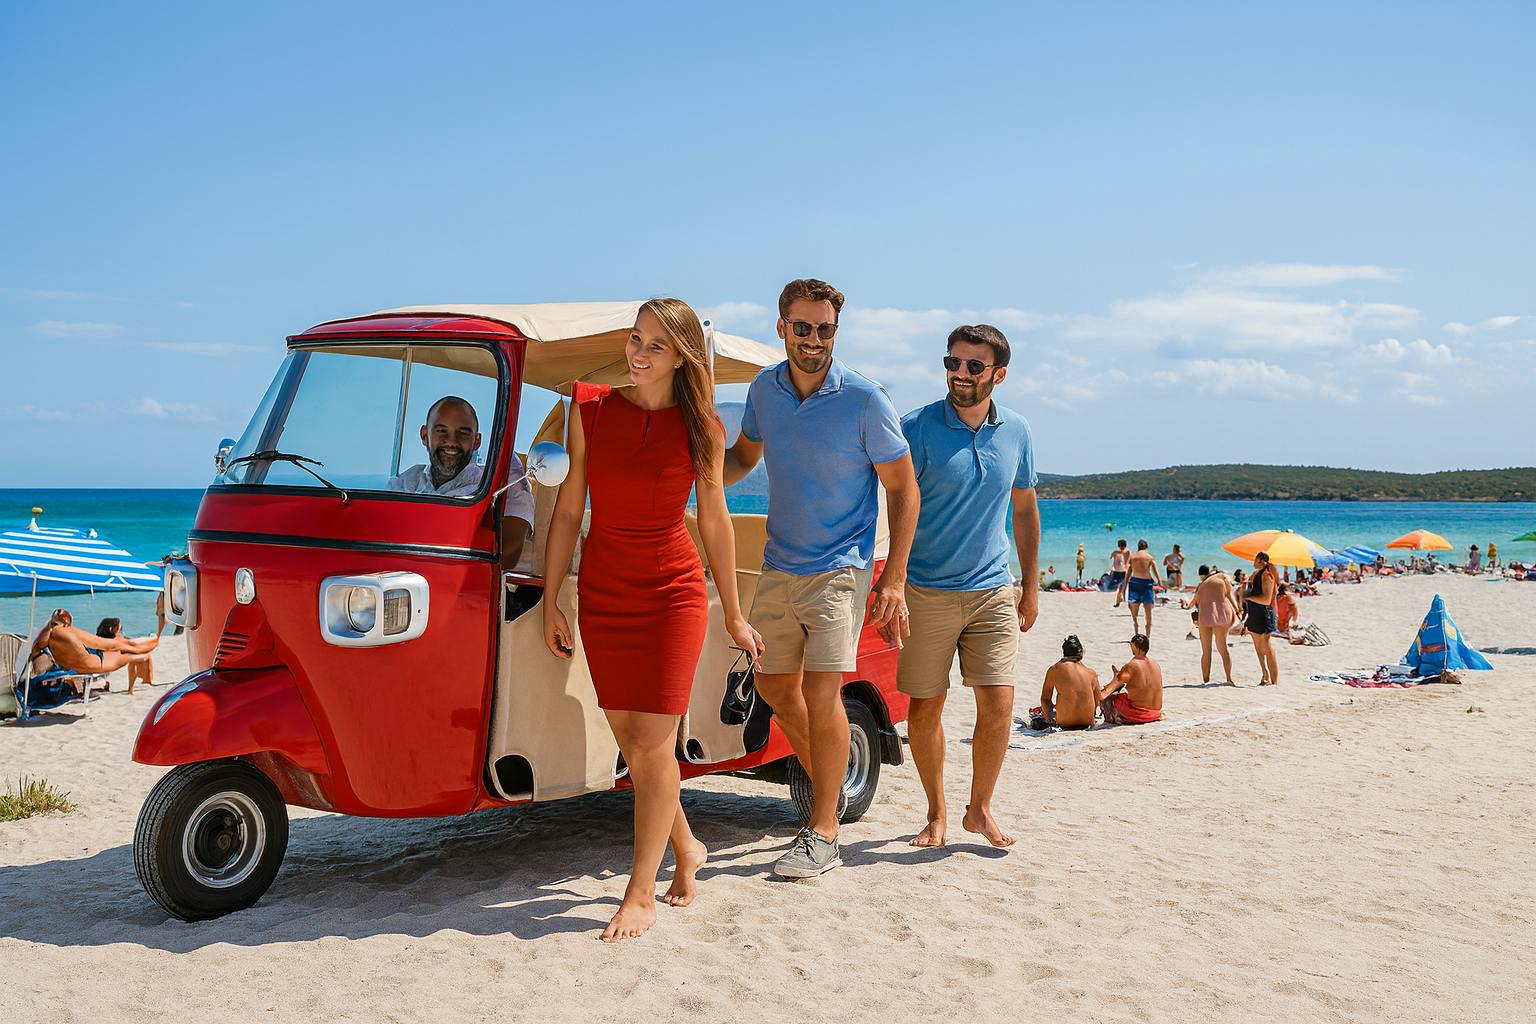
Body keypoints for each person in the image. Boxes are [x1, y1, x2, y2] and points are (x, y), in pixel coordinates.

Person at [542, 298, 764, 943]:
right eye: (635, 341)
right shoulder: (588, 410)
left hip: (673, 591)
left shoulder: (701, 428)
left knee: (651, 742)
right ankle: (688, 847)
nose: (637, 355)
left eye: (655, 346)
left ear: (683, 357)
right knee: (632, 743)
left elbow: (716, 523)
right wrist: (554, 598)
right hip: (605, 592)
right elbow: (566, 512)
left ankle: (639, 892)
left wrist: (736, 614)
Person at [722, 278, 919, 879]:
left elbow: (904, 490)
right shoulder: (763, 391)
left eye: (825, 329)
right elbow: (743, 459)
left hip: (842, 566)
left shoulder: (865, 400)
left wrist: (894, 580)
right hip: (781, 563)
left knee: (820, 692)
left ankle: (823, 829)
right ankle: (829, 783)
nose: (814, 339)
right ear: (780, 327)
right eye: (802, 327)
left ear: (837, 331)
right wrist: (697, 472)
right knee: (777, 690)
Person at [897, 324, 1039, 850]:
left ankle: (979, 809)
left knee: (999, 703)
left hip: (993, 589)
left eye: (973, 366)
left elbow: (1024, 509)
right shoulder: (914, 427)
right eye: (952, 363)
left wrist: (1030, 587)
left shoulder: (1018, 431)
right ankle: (935, 811)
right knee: (925, 708)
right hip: (925, 590)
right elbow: (889, 503)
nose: (960, 374)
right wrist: (889, 583)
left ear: (998, 374)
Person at [389, 395, 534, 567]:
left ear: (477, 442)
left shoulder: (497, 487)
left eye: (463, 433)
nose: (451, 441)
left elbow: (507, 554)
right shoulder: (406, 482)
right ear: (424, 435)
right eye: (441, 430)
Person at [28, 609, 157, 690]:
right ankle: (147, 675)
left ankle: (145, 670)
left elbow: (36, 648)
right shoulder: (68, 632)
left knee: (130, 652)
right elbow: (107, 645)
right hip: (93, 662)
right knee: (132, 654)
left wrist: (50, 625)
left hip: (73, 664)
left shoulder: (49, 636)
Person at [1031, 635, 1099, 730]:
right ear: (1082, 652)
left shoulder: (1054, 669)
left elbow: (1045, 699)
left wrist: (1048, 717)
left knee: (1036, 718)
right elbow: (1097, 701)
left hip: (1065, 722)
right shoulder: (1091, 673)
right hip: (1087, 721)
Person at [1098, 634, 1163, 724]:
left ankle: (1112, 720)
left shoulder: (1132, 665)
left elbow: (1106, 692)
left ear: (1134, 646)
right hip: (1156, 713)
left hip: (1140, 714)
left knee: (1108, 700)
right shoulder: (1156, 664)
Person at [1192, 564, 1239, 684]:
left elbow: (1193, 603)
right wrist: (1238, 610)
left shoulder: (1201, 585)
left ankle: (1206, 680)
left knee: (1206, 651)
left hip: (1205, 616)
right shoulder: (1224, 579)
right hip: (1221, 615)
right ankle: (1229, 679)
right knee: (1223, 648)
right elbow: (1229, 595)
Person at [1244, 552, 1280, 685]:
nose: (1253, 561)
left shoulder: (1267, 575)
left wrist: (1246, 597)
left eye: (1255, 559)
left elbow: (1266, 600)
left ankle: (1274, 681)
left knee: (1267, 648)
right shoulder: (1257, 574)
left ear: (1260, 560)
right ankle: (1264, 676)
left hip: (1264, 614)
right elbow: (1273, 592)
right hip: (1254, 613)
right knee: (1258, 648)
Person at [95, 617, 156, 693]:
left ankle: (144, 681)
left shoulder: (98, 639)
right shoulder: (116, 641)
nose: (120, 628)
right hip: (106, 668)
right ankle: (138, 685)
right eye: (118, 627)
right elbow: (133, 647)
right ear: (112, 629)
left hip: (99, 665)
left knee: (135, 656)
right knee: (137, 657)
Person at [1125, 539, 1162, 636]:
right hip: (1146, 585)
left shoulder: (1133, 556)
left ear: (1138, 547)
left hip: (1134, 583)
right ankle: (1148, 636)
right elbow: (1155, 572)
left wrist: (1125, 585)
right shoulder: (1149, 557)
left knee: (1134, 611)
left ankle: (1136, 631)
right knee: (1148, 612)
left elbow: (1129, 571)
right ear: (1146, 547)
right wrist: (1159, 581)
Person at [1108, 539, 1129, 605]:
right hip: (1118, 571)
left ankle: (1119, 602)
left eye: (1122, 546)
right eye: (1120, 546)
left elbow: (1127, 562)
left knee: (1121, 587)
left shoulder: (1125, 552)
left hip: (1122, 571)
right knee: (1119, 587)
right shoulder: (1117, 552)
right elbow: (1111, 557)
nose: (1121, 548)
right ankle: (1120, 600)